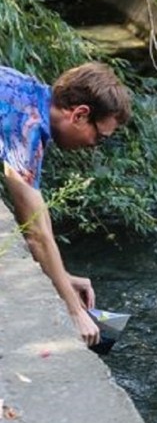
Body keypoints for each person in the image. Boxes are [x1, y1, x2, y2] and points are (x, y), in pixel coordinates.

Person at [1, 62, 132, 345]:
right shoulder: (28, 125)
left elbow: (38, 214)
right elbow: (35, 233)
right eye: (99, 136)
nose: (94, 145)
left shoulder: (30, 95)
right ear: (80, 114)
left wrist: (61, 276)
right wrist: (74, 310)